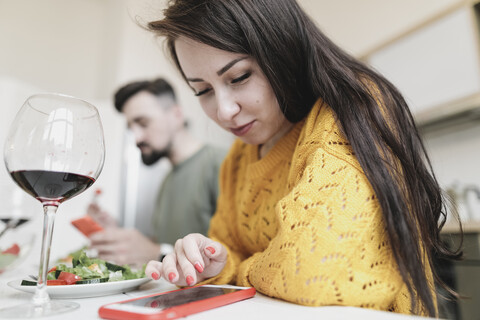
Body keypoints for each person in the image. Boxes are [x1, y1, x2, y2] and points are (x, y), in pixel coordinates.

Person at [143, 0, 462, 317]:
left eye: (239, 77)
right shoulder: (239, 158)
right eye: (203, 91)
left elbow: (312, 273)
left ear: (282, 51)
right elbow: (229, 248)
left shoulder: (349, 112)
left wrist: (240, 270)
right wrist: (215, 262)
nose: (224, 111)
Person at [88, 78, 226, 267]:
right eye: (131, 129)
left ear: (176, 115)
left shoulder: (222, 164)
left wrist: (156, 253)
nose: (136, 138)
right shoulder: (167, 180)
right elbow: (166, 245)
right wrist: (117, 232)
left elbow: (235, 256)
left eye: (143, 123)